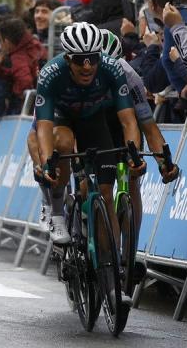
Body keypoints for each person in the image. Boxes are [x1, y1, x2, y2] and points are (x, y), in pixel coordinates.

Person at [36, 23, 144, 251]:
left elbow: (129, 120)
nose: (87, 66)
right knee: (61, 145)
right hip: (62, 117)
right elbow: (43, 127)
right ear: (67, 59)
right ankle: (56, 212)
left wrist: (134, 152)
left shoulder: (113, 69)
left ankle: (112, 263)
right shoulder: (50, 73)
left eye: (93, 59)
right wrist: (47, 163)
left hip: (92, 119)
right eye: (79, 60)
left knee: (105, 192)